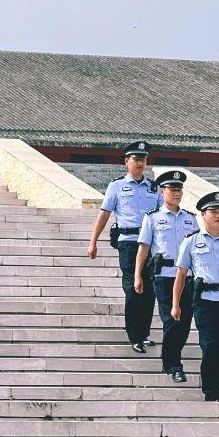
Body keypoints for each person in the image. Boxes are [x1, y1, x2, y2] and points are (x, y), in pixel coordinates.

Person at [87, 140, 160, 353]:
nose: (140, 163)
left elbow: (161, 216)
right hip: (128, 242)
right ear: (127, 161)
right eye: (136, 159)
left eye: (143, 159)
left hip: (150, 244)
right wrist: (93, 242)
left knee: (149, 289)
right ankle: (134, 335)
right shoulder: (117, 186)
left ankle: (143, 333)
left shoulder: (154, 188)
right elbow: (104, 214)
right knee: (133, 288)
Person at [173, 191, 219, 401]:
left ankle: (217, 389)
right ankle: (210, 391)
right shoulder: (191, 241)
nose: (218, 216)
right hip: (205, 302)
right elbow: (181, 274)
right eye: (213, 212)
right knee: (210, 346)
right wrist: (175, 304)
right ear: (203, 215)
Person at [136, 170, 199, 381]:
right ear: (162, 192)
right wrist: (137, 275)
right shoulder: (152, 217)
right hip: (164, 276)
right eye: (172, 189)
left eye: (179, 189)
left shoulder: (190, 219)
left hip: (188, 277)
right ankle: (173, 365)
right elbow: (144, 248)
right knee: (172, 319)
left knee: (185, 322)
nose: (176, 193)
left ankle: (171, 359)